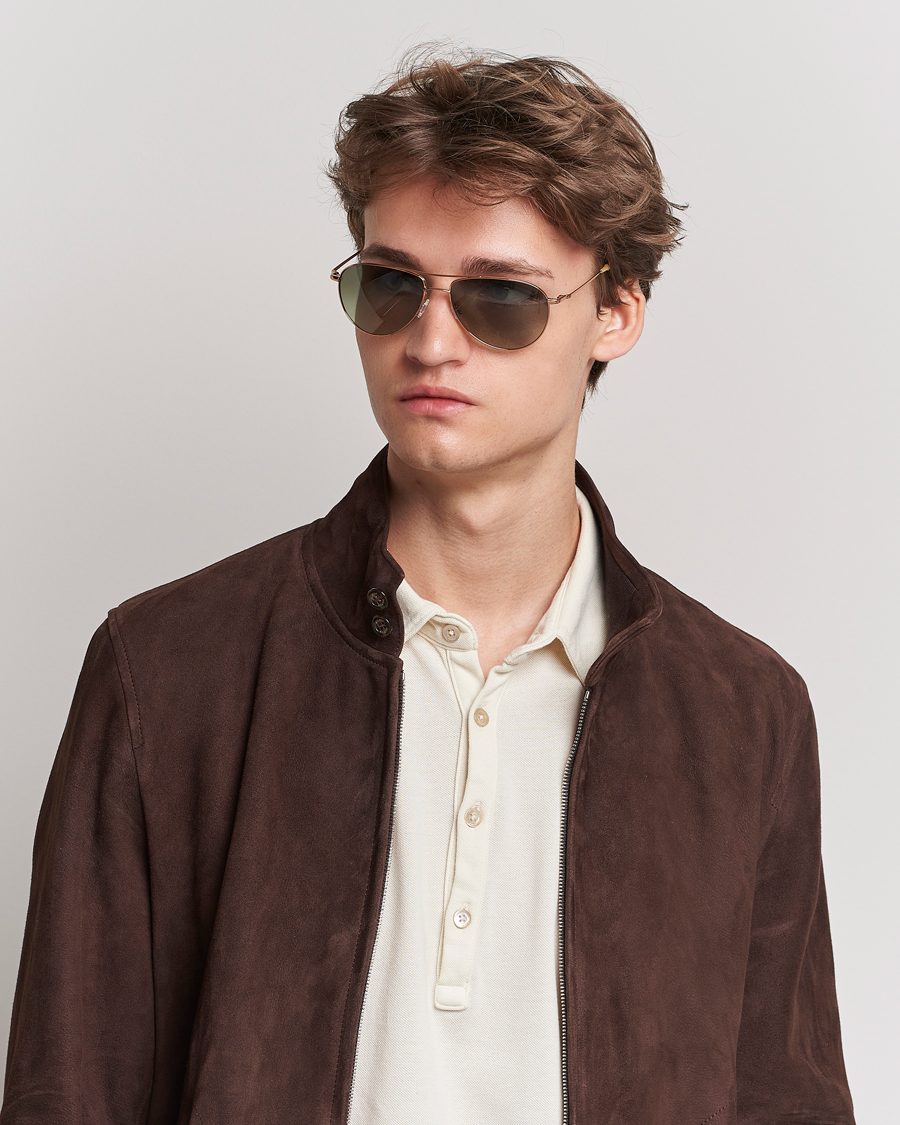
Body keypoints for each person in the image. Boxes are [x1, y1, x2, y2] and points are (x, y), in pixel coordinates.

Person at [1, 49, 855, 1125]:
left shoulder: (743, 713)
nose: (431, 341)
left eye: (501, 297)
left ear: (616, 312)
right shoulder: (166, 668)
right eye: (392, 285)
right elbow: (70, 1088)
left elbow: (786, 1100)